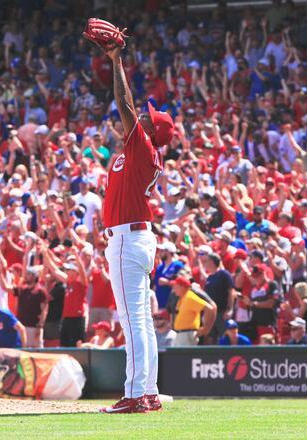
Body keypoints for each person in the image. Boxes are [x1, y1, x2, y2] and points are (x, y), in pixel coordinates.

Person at [99, 39, 175, 415]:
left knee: (132, 322)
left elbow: (124, 103)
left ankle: (135, 396)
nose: (142, 116)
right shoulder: (139, 150)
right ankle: (150, 391)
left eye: (147, 117)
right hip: (133, 236)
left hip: (130, 239)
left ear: (150, 129)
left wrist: (116, 61)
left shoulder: (144, 147)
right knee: (140, 321)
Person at [169, 277, 216, 347]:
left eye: (176, 287)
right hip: (182, 334)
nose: (174, 289)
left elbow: (209, 308)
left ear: (183, 287)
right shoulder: (183, 298)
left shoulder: (190, 297)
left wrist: (206, 327)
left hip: (187, 334)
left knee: (184, 357)